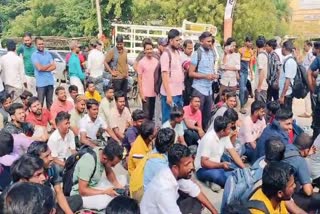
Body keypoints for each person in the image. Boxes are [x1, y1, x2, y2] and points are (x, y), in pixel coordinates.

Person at [140, 144, 218, 214]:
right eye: (187, 164)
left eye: (191, 162)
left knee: (197, 201)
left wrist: (214, 212)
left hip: (167, 206)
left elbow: (194, 190)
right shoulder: (164, 190)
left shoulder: (174, 173)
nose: (192, 167)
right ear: (175, 168)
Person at [27, 142, 83, 214]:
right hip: (34, 207)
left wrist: (69, 212)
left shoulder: (52, 168)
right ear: (36, 160)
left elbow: (58, 191)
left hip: (48, 204)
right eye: (46, 156)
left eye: (50, 154)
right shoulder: (29, 174)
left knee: (77, 199)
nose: (51, 158)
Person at [71, 140, 126, 210]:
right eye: (112, 164)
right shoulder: (88, 161)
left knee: (122, 178)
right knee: (105, 201)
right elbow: (82, 190)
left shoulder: (103, 152)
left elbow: (109, 172)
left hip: (94, 185)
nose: (114, 167)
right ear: (104, 158)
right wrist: (104, 192)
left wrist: (118, 186)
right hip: (80, 194)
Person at [195, 116, 245, 188]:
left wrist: (244, 168)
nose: (230, 130)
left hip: (218, 165)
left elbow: (233, 153)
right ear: (222, 131)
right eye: (228, 129)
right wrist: (221, 165)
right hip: (203, 169)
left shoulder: (225, 136)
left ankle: (214, 181)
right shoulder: (209, 139)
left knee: (237, 168)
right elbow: (204, 163)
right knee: (219, 175)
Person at [189, 32, 217, 130]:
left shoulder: (212, 53)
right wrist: (205, 76)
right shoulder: (197, 54)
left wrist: (214, 75)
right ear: (201, 41)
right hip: (199, 89)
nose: (210, 43)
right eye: (208, 41)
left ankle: (204, 136)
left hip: (209, 89)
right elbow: (191, 73)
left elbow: (211, 68)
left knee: (207, 116)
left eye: (211, 41)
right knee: (196, 116)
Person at [160, 29, 184, 123]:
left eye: (179, 40)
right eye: (177, 40)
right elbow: (164, 76)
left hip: (178, 93)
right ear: (170, 41)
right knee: (168, 120)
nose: (179, 42)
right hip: (169, 94)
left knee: (178, 120)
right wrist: (169, 95)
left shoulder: (178, 53)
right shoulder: (166, 55)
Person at [31, 37, 55, 110]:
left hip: (50, 82)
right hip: (41, 84)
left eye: (42, 44)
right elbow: (39, 68)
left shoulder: (48, 54)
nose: (41, 45)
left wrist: (43, 68)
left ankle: (50, 120)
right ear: (36, 45)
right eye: (39, 44)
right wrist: (49, 65)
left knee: (50, 103)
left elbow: (54, 66)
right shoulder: (34, 55)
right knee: (40, 104)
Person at [105, 35, 129, 107]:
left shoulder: (125, 50)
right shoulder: (112, 51)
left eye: (120, 44)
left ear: (123, 43)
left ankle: (126, 112)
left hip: (125, 77)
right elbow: (105, 62)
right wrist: (111, 72)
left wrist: (127, 72)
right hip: (117, 78)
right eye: (118, 44)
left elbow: (126, 62)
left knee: (124, 96)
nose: (119, 45)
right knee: (117, 97)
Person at [137, 40, 158, 120]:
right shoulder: (141, 62)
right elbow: (139, 78)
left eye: (151, 49)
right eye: (147, 49)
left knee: (152, 114)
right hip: (145, 93)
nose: (149, 51)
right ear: (144, 50)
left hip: (154, 93)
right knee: (146, 114)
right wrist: (141, 93)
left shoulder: (156, 61)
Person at [279, 40, 297, 111]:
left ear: (284, 48)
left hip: (287, 94)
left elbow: (288, 80)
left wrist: (282, 96)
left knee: (285, 116)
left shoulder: (289, 62)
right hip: (285, 93)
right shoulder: (287, 60)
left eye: (282, 47)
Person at [307, 41, 320, 140]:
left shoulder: (318, 59)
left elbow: (309, 71)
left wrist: (311, 87)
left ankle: (315, 140)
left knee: (317, 117)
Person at [298, 41, 314, 118]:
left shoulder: (311, 54)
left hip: (309, 76)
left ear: (309, 46)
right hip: (307, 76)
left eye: (305, 46)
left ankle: (308, 112)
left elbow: (311, 66)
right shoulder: (309, 53)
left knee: (308, 94)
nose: (304, 48)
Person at [239, 36, 254, 114]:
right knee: (242, 89)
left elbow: (250, 64)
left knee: (244, 89)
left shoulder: (251, 52)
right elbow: (238, 63)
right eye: (249, 41)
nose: (250, 43)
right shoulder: (241, 50)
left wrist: (251, 74)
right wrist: (237, 73)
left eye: (251, 42)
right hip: (241, 72)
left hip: (246, 72)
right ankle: (242, 107)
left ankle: (242, 103)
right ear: (245, 42)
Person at [255, 37, 268, 103]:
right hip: (264, 84)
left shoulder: (261, 56)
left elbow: (262, 72)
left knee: (260, 107)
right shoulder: (266, 54)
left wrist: (259, 87)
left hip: (261, 86)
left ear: (256, 45)